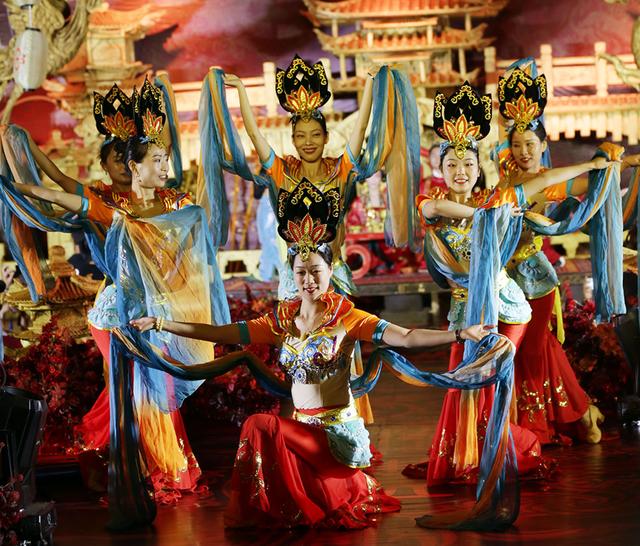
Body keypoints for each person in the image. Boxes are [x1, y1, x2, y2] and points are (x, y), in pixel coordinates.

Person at [130, 182, 492, 529]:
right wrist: (163, 323)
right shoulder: (281, 321)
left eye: (316, 271)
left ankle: (266, 509)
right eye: (301, 272)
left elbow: (408, 337)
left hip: (335, 437)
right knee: (268, 430)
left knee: (259, 424)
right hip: (302, 430)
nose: (309, 280)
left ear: (330, 271)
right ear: (292, 274)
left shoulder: (348, 317)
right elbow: (222, 333)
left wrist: (460, 333)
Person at [7, 80, 206, 501]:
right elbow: (61, 187)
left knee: (158, 385)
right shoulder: (109, 204)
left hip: (159, 307)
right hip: (117, 309)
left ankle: (155, 462)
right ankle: (135, 463)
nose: (161, 164)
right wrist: (24, 178)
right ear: (124, 164)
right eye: (151, 158)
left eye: (162, 158)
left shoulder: (174, 202)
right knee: (134, 385)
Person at [414, 82, 614, 486]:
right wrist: (484, 216)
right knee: (463, 382)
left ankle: (496, 448)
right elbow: (435, 207)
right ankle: (468, 452)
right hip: (465, 311)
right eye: (452, 164)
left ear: (478, 169)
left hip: (508, 308)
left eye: (467, 164)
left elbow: (544, 180)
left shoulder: (497, 197)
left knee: (494, 379)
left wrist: (592, 167)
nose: (460, 171)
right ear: (441, 168)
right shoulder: (432, 203)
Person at [496, 66, 640, 444]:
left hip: (536, 280)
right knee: (536, 349)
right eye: (517, 145)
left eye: (531, 144)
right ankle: (581, 412)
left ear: (544, 145)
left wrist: (618, 164)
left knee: (531, 350)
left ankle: (536, 427)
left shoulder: (550, 182)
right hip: (505, 280)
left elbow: (589, 182)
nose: (524, 151)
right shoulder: (506, 178)